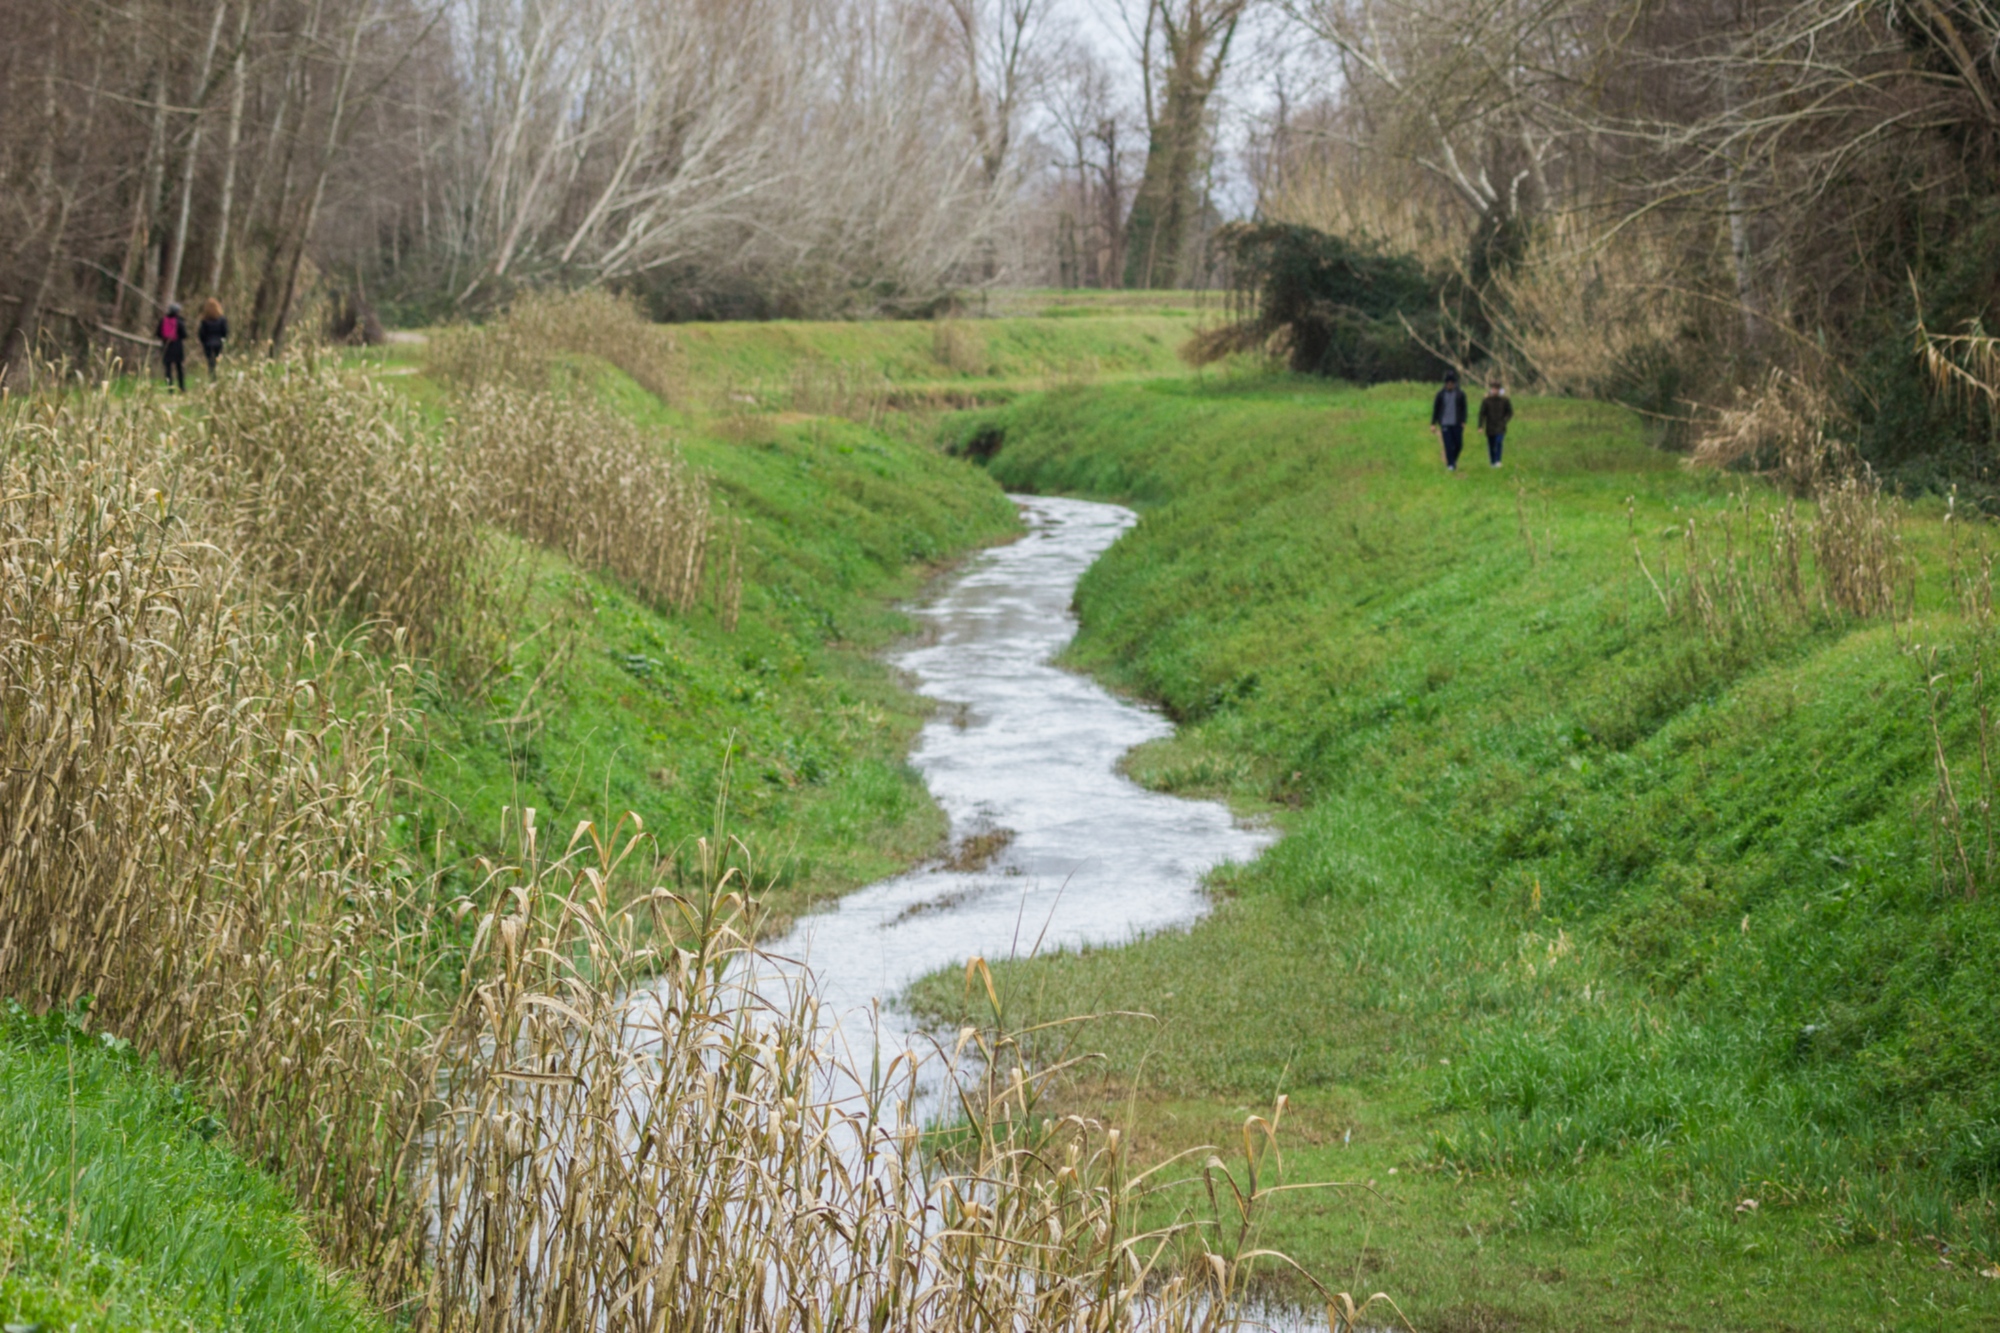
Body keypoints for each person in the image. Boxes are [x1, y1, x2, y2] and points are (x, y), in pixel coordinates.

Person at [1430, 369, 1468, 472]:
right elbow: (1436, 409)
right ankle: (1450, 464)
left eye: (1452, 383)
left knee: (1458, 444)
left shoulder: (1460, 394)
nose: (1450, 385)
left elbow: (1464, 408)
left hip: (1457, 423)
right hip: (1445, 423)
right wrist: (1433, 423)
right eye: (1448, 383)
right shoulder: (1440, 395)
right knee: (1448, 444)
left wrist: (1464, 420)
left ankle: (1453, 459)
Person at [1478, 375, 1513, 467]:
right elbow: (1482, 413)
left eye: (1497, 389)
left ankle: (1498, 460)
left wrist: (1505, 420)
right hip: (1490, 426)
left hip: (1500, 426)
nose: (1495, 391)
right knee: (1491, 444)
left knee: (1498, 442)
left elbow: (1510, 412)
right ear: (1491, 389)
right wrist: (1480, 426)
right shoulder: (1487, 400)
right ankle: (1492, 461)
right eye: (1494, 389)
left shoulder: (1504, 400)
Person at [156, 302, 186, 391]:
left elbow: (158, 333)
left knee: (168, 369)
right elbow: (184, 335)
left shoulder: (163, 320)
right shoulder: (179, 321)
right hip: (178, 347)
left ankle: (170, 389)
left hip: (166, 347)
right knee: (179, 368)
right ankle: (182, 387)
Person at [197, 298, 228, 378]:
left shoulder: (204, 320)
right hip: (218, 343)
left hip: (208, 344)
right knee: (217, 361)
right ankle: (217, 377)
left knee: (210, 362)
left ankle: (212, 377)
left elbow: (202, 334)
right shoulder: (222, 319)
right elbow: (225, 331)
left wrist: (204, 342)